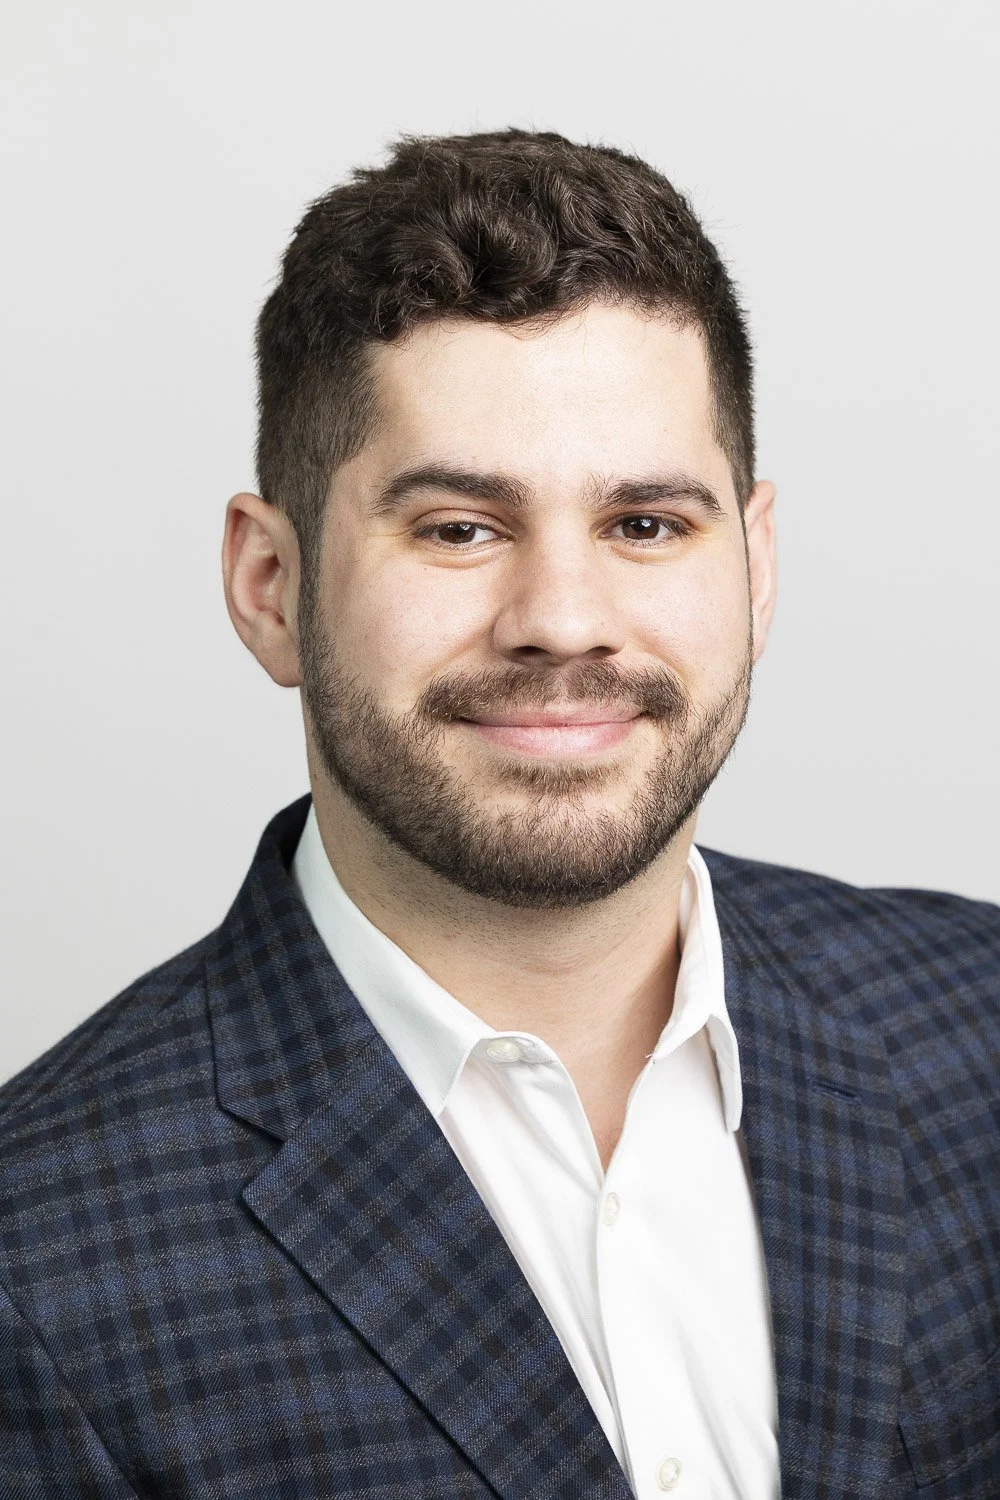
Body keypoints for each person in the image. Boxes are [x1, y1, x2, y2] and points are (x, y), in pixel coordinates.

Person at [1, 129, 997, 1500]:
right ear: (271, 585)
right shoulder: (38, 1264)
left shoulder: (981, 1025)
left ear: (756, 568)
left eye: (647, 523)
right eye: (460, 527)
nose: (564, 623)